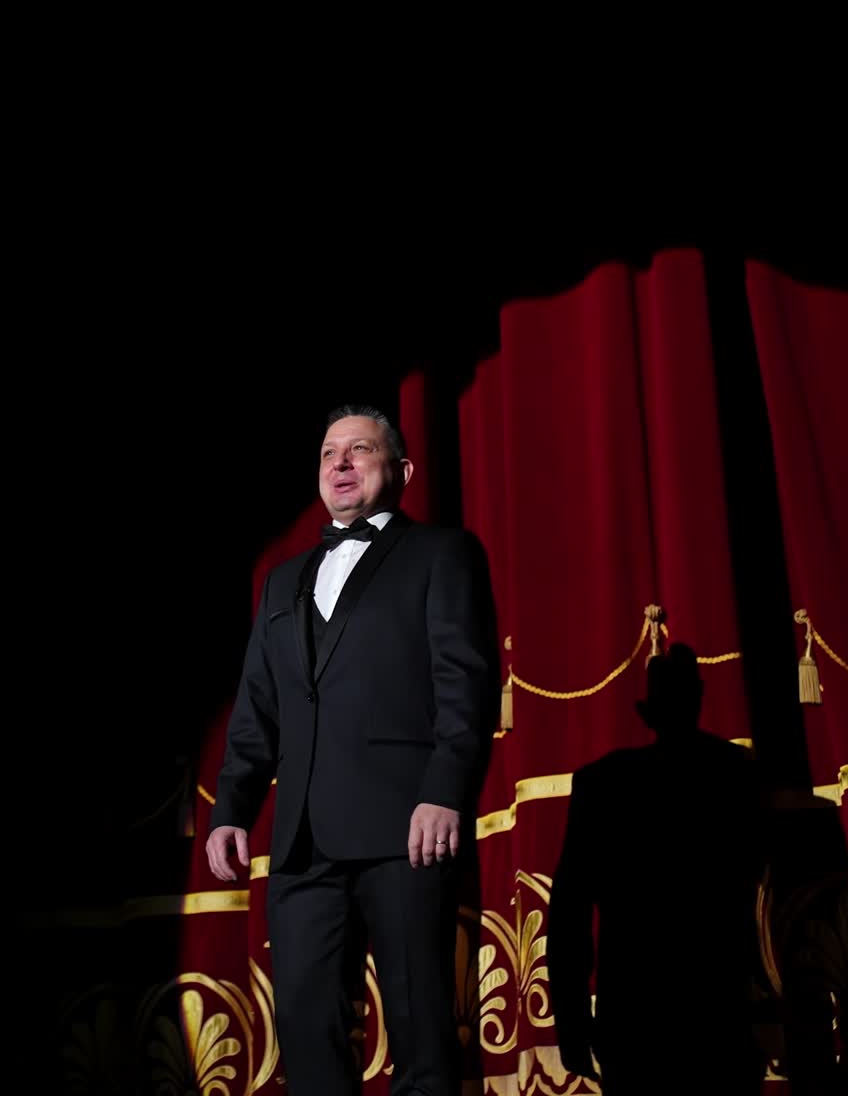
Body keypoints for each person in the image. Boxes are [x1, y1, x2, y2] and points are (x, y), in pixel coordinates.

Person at [207, 404, 497, 1095]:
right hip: (303, 844)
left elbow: (466, 685)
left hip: (405, 830)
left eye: (359, 449)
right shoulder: (283, 581)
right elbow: (257, 707)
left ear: (402, 471)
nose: (339, 462)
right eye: (328, 453)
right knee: (308, 1034)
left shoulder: (442, 555)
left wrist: (444, 792)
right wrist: (232, 810)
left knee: (421, 1030)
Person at [546, 642, 766, 1096]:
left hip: (636, 1018)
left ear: (651, 711)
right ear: (697, 701)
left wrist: (572, 1021)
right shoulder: (737, 774)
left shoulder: (603, 784)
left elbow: (570, 912)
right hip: (718, 1012)